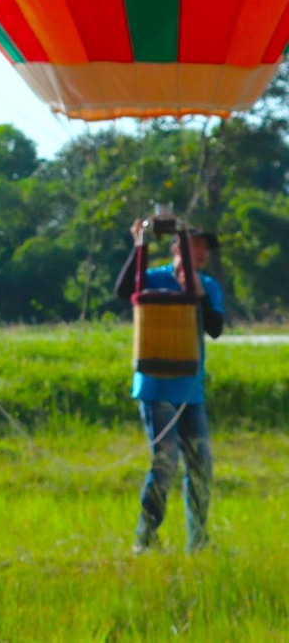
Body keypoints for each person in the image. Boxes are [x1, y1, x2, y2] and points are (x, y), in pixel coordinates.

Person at [113, 222, 224, 553]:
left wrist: (198, 292)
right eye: (195, 245)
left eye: (205, 247)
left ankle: (198, 542)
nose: (202, 253)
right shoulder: (155, 277)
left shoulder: (208, 285)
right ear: (177, 247)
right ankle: (145, 539)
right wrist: (140, 245)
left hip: (191, 390)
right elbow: (123, 291)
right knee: (166, 463)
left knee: (200, 465)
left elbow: (215, 329)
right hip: (156, 387)